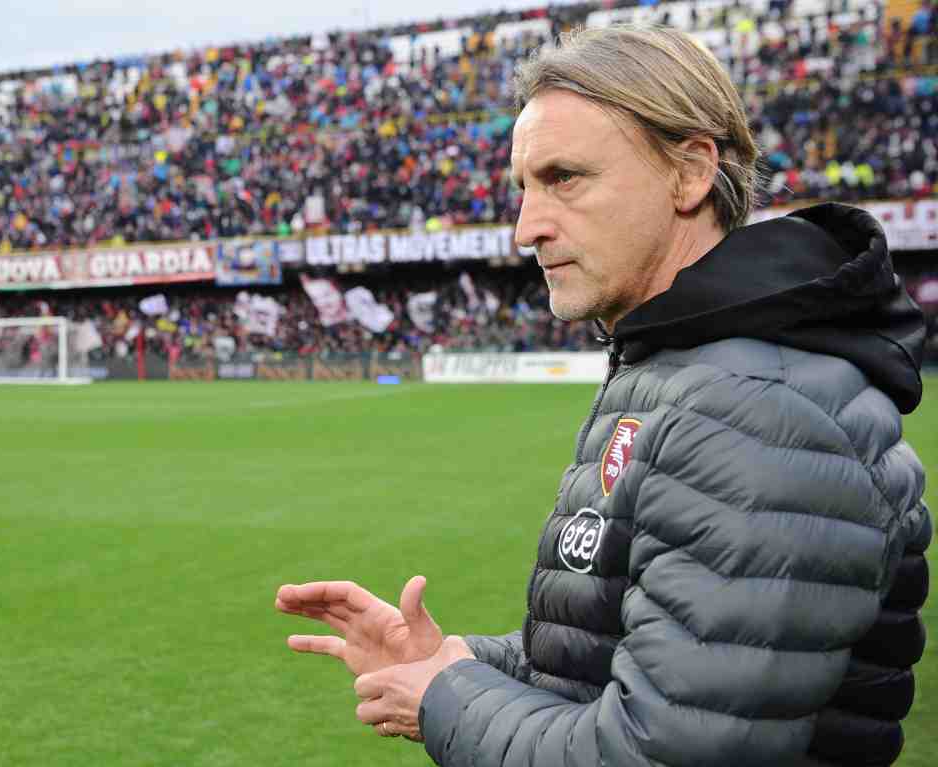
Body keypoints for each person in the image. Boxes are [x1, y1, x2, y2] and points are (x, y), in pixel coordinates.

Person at [275, 25, 930, 766]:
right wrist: (453, 658)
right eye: (523, 187)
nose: (526, 227)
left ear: (688, 173)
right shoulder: (681, 370)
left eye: (565, 178)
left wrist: (444, 696)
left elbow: (659, 749)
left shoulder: (758, 410)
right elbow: (617, 655)